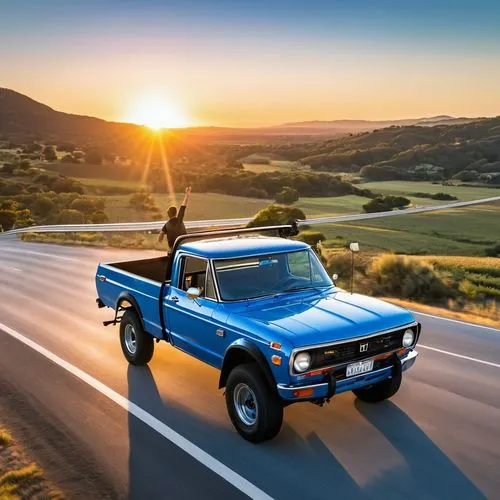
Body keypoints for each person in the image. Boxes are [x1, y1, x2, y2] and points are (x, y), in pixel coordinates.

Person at [157, 187, 191, 251]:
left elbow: (159, 238)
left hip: (173, 249)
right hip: (184, 246)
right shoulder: (179, 219)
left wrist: (161, 242)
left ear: (168, 214)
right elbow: (184, 205)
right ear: (176, 213)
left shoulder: (166, 225)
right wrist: (187, 194)